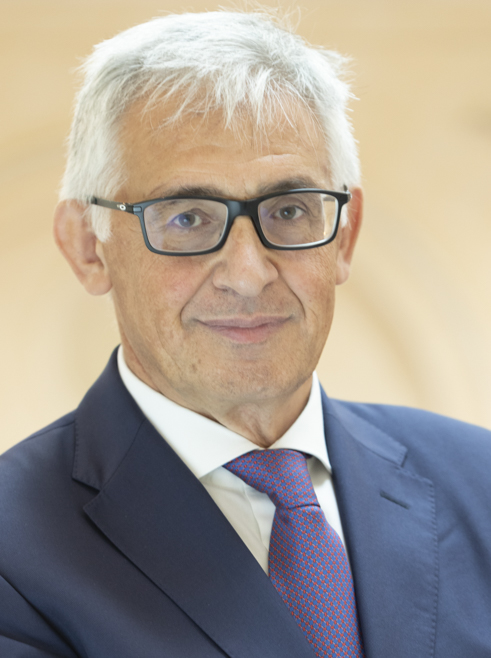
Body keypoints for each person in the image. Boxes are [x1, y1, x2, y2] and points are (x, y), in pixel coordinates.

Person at [1, 9, 490, 658]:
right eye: (187, 217)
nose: (248, 274)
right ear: (88, 246)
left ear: (345, 236)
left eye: (288, 210)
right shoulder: (12, 549)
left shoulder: (480, 482)